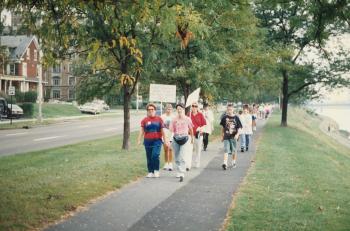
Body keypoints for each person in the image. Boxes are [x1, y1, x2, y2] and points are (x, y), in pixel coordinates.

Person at [137, 103, 168, 178]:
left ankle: (156, 170)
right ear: (147, 111)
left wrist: (166, 140)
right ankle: (150, 171)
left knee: (155, 155)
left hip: (157, 140)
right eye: (149, 110)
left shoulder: (159, 119)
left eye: (152, 109)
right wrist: (139, 140)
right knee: (149, 156)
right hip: (147, 141)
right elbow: (141, 131)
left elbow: (163, 131)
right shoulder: (144, 120)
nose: (151, 111)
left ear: (155, 110)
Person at [169, 103, 194, 182]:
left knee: (183, 156)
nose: (179, 110)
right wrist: (169, 140)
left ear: (183, 110)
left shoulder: (187, 119)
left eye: (181, 109)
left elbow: (191, 129)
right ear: (176, 110)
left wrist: (192, 138)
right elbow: (171, 130)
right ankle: (179, 170)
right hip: (176, 139)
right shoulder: (174, 119)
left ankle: (182, 172)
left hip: (185, 139)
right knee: (177, 157)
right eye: (178, 109)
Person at [220, 103, 242, 170]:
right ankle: (225, 163)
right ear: (227, 110)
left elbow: (240, 128)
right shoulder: (224, 117)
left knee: (233, 150)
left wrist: (237, 135)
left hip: (233, 136)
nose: (229, 111)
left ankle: (233, 162)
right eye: (228, 109)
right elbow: (223, 128)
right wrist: (222, 136)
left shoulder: (236, 118)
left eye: (230, 109)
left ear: (233, 109)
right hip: (226, 136)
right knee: (226, 149)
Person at [188, 102, 206, 169]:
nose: (194, 107)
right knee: (189, 149)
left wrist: (201, 129)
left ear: (197, 107)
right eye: (193, 106)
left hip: (198, 134)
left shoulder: (200, 115)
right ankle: (188, 163)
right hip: (190, 134)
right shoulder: (189, 114)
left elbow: (204, 124)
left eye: (195, 106)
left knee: (198, 149)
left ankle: (197, 162)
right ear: (191, 107)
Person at [161, 104, 174, 171]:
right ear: (165, 109)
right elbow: (161, 127)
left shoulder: (173, 117)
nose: (169, 110)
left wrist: (172, 135)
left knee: (170, 149)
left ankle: (170, 163)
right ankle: (166, 163)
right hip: (164, 135)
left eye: (170, 109)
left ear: (172, 110)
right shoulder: (162, 117)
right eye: (167, 109)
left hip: (171, 135)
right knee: (165, 149)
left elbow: (174, 127)